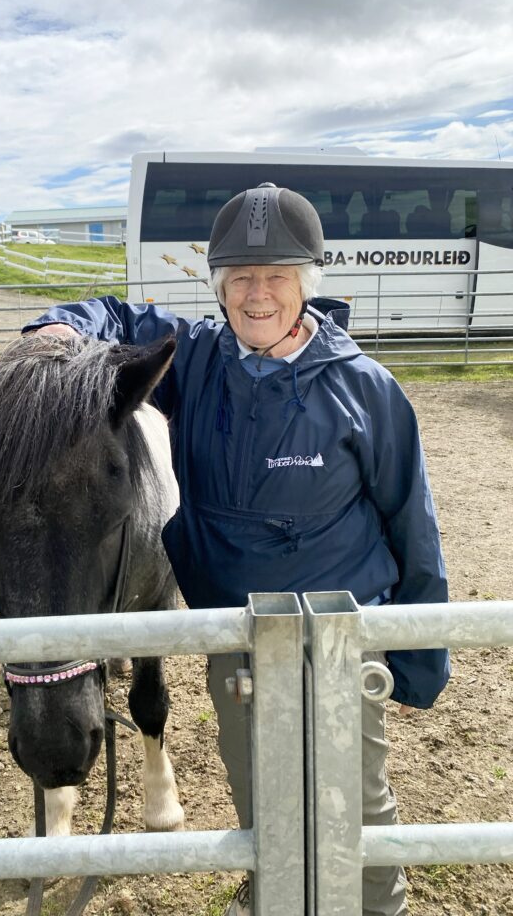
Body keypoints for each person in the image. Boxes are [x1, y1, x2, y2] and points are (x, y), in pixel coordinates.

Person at [22, 183, 450, 916]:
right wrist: (57, 331)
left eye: (276, 277)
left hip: (339, 641)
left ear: (306, 285)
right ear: (219, 289)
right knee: (258, 796)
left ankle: (378, 908)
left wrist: (418, 659)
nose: (258, 295)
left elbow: (413, 522)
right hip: (239, 638)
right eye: (241, 280)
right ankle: (278, 896)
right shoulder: (197, 363)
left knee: (354, 808)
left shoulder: (364, 389)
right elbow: (114, 315)